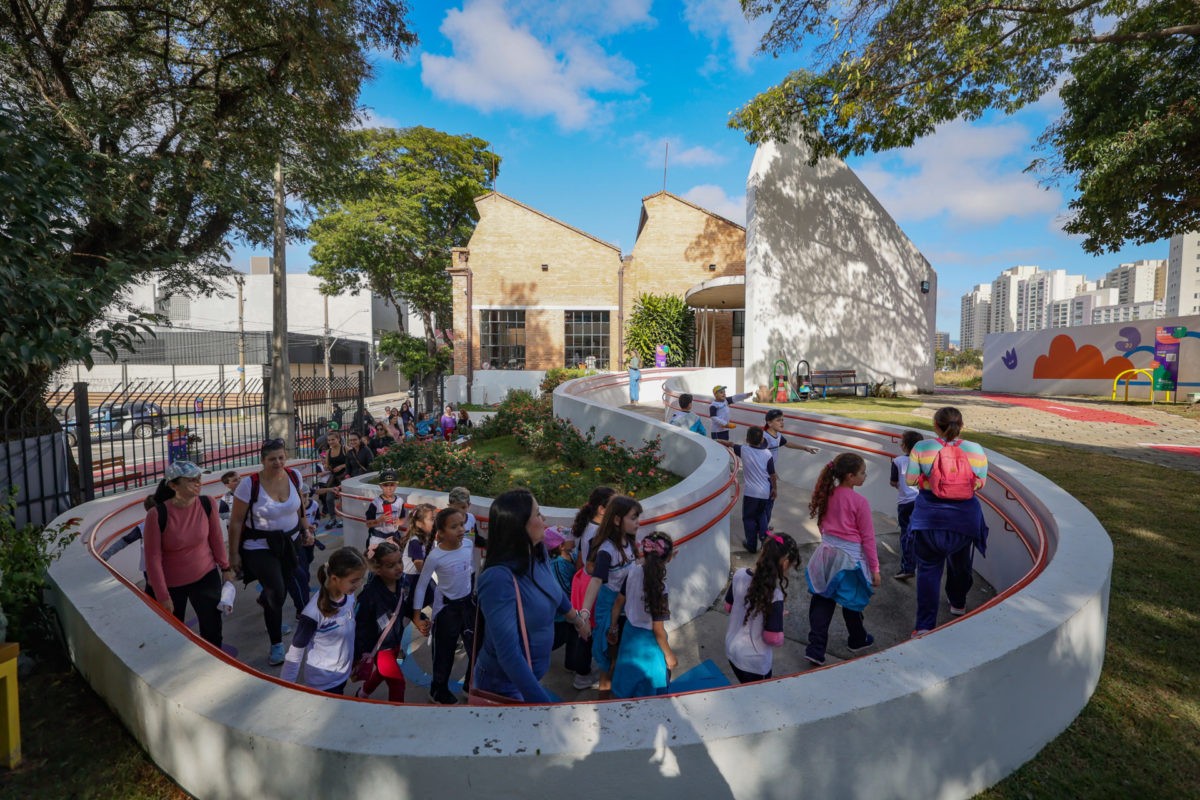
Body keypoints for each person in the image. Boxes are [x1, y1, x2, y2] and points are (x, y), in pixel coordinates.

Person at [473, 489, 591, 703]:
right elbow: (508, 655)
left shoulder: (538, 552)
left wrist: (576, 620)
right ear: (519, 526)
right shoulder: (498, 580)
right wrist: (543, 706)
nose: (543, 519)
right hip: (503, 684)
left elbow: (553, 590)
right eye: (537, 514)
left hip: (530, 675)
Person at [228, 438, 316, 666]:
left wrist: (306, 530)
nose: (277, 462)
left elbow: (300, 508)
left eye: (280, 457)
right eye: (271, 459)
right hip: (260, 547)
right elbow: (236, 521)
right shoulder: (249, 485)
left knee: (282, 587)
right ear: (262, 460)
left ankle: (268, 607)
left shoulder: (294, 476)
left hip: (291, 542)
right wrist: (233, 555)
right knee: (277, 591)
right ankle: (276, 643)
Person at [905, 407, 989, 635]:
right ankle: (958, 603)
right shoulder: (976, 449)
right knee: (960, 564)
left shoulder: (921, 448)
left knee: (928, 572)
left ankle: (924, 626)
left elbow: (910, 480)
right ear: (961, 425)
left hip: (929, 521)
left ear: (935, 425)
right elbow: (980, 483)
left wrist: (929, 479)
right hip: (965, 522)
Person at [142, 461, 233, 649]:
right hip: (172, 585)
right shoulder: (156, 514)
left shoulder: (207, 503)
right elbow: (153, 559)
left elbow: (216, 539)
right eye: (191, 480)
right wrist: (162, 596)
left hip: (205, 575)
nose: (198, 483)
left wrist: (225, 567)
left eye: (199, 478)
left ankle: (214, 665)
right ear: (173, 485)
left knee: (213, 630)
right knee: (174, 634)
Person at [804, 453, 880, 666]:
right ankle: (857, 639)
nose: (865, 476)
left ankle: (815, 648)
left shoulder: (826, 494)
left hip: (826, 554)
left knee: (822, 598)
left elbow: (821, 524)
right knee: (852, 600)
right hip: (849, 559)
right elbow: (868, 538)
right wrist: (874, 568)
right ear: (850, 476)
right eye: (863, 473)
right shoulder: (860, 502)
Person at [280, 546, 366, 695]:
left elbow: (351, 628)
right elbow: (295, 653)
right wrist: (285, 688)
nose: (358, 585)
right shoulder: (313, 613)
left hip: (342, 673)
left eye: (360, 579)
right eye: (354, 581)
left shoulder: (349, 596)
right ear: (334, 578)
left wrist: (357, 656)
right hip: (323, 682)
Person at [411, 507, 476, 704]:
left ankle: (470, 684)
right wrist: (416, 615)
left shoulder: (468, 545)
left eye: (462, 524)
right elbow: (422, 586)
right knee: (444, 652)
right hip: (446, 609)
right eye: (454, 526)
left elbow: (469, 572)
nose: (461, 529)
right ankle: (438, 689)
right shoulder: (436, 556)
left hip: (468, 605)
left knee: (476, 648)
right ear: (441, 533)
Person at [580, 495, 641, 695]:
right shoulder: (606, 551)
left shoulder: (630, 543)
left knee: (621, 655)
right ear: (616, 520)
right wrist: (585, 614)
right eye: (633, 518)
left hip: (627, 607)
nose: (638, 523)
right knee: (609, 659)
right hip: (610, 610)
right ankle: (605, 701)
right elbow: (596, 581)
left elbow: (636, 569)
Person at [725, 532, 800, 683]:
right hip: (754, 663)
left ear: (763, 551)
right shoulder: (775, 597)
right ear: (784, 563)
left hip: (731, 650)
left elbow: (728, 607)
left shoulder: (739, 574)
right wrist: (776, 617)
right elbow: (773, 638)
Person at [609, 532, 677, 699]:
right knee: (649, 690)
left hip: (629, 636)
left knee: (627, 682)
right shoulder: (661, 588)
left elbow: (618, 602)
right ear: (668, 558)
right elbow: (658, 630)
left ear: (644, 552)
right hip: (649, 645)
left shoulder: (632, 572)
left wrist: (613, 628)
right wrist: (669, 655)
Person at [565, 486, 615, 689]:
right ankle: (582, 674)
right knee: (587, 632)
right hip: (593, 585)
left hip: (582, 581)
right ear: (603, 509)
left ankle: (576, 666)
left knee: (581, 629)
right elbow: (594, 566)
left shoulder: (587, 524)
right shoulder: (600, 534)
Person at [354, 540, 408, 702]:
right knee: (398, 683)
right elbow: (360, 626)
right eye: (391, 565)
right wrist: (359, 654)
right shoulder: (369, 596)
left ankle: (363, 692)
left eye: (399, 561)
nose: (398, 567)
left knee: (383, 672)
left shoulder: (402, 583)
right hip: (379, 649)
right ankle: (396, 719)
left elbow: (405, 607)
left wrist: (420, 618)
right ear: (377, 569)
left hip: (395, 642)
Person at [717, 426, 776, 553]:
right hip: (765, 492)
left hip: (751, 493)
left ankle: (751, 544)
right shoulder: (768, 454)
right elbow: (772, 475)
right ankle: (764, 537)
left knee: (749, 518)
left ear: (747, 439)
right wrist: (774, 489)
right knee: (761, 515)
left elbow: (730, 444)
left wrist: (717, 441)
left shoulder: (743, 449)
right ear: (762, 440)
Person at [100, 496, 158, 594]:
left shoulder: (143, 526)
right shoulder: (169, 521)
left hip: (150, 567)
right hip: (159, 566)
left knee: (152, 592)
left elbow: (125, 540)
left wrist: (106, 555)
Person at [891, 431, 924, 580]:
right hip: (923, 501)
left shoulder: (897, 461)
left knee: (906, 534)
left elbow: (893, 482)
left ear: (904, 446)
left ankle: (907, 567)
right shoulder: (925, 461)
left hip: (905, 503)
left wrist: (901, 486)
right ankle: (922, 565)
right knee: (921, 534)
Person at [365, 469, 406, 551]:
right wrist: (379, 520)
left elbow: (402, 518)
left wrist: (399, 522)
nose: (389, 488)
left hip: (393, 537)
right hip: (377, 538)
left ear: (396, 485)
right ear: (380, 486)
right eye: (386, 485)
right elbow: (368, 524)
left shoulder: (400, 501)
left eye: (392, 485)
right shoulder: (375, 503)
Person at [321, 430, 348, 529]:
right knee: (329, 499)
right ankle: (332, 518)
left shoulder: (345, 449)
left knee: (343, 499)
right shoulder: (328, 452)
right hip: (334, 478)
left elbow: (351, 462)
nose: (331, 442)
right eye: (329, 440)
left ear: (338, 439)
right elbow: (327, 465)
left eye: (333, 439)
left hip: (344, 477)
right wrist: (326, 467)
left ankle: (343, 519)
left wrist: (341, 466)